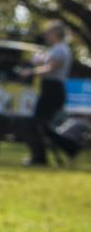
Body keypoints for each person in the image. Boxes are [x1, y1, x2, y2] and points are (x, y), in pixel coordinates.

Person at [21, 20, 77, 165]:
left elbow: (51, 68)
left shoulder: (60, 50)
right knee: (41, 125)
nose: (46, 35)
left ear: (56, 33)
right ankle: (69, 147)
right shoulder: (54, 49)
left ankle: (41, 157)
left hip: (53, 89)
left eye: (48, 32)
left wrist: (31, 72)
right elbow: (43, 64)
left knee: (35, 123)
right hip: (50, 88)